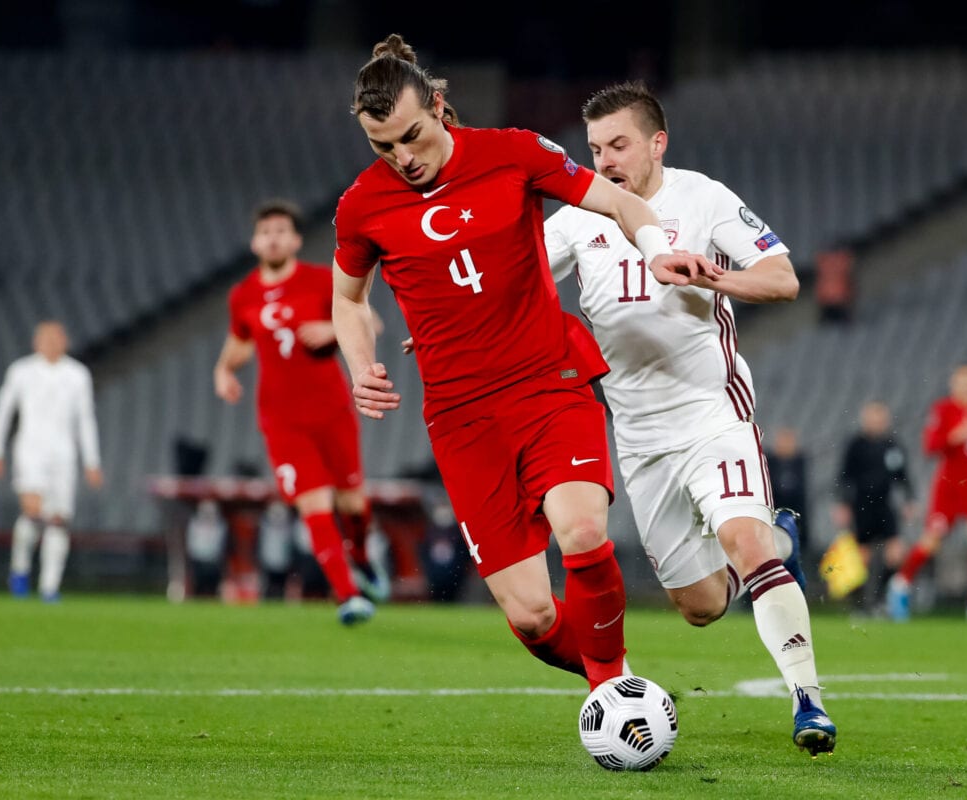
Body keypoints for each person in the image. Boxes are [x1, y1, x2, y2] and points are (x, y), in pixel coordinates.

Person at [331, 35, 723, 691]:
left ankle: (614, 693)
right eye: (383, 146)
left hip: (548, 383)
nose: (403, 158)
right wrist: (360, 362)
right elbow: (346, 299)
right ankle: (620, 683)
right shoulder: (362, 206)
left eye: (412, 136)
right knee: (533, 616)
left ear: (438, 106)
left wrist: (655, 251)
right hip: (460, 419)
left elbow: (622, 201)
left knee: (582, 532)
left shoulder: (514, 153)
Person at [543, 81, 836, 755]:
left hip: (712, 413)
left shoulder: (703, 198)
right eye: (595, 148)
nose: (605, 160)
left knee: (744, 543)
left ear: (657, 143)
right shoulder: (580, 215)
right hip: (639, 436)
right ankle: (780, 543)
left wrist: (712, 277)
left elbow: (784, 278)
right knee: (700, 607)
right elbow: (518, 281)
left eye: (618, 145)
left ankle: (808, 700)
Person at [214, 199, 386, 625]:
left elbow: (372, 321)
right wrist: (223, 370)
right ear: (255, 243)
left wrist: (333, 328)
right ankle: (347, 596)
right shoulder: (243, 295)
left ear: (294, 240)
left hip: (330, 410)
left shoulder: (321, 280)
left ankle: (362, 558)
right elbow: (240, 341)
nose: (272, 238)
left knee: (352, 502)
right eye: (265, 232)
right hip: (281, 418)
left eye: (280, 231)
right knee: (314, 503)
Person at [0, 320, 103, 602]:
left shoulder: (77, 374)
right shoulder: (21, 371)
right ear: (36, 342)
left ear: (66, 341)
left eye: (56, 337)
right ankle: (20, 570)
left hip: (63, 454)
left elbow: (85, 419)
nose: (51, 343)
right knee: (33, 512)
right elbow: (4, 410)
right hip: (30, 450)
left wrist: (92, 460)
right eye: (46, 338)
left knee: (58, 519)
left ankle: (50, 587)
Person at [888, 363, 967, 627]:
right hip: (949, 486)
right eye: (963, 381)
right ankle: (900, 584)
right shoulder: (942, 409)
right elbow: (930, 446)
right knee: (932, 541)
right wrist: (956, 435)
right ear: (954, 384)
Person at [833, 400, 916, 614]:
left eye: (880, 418)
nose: (876, 422)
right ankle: (861, 604)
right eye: (872, 418)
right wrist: (843, 504)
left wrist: (909, 499)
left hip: (885, 504)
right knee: (862, 556)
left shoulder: (892, 445)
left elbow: (903, 476)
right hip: (862, 505)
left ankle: (881, 598)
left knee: (895, 553)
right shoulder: (856, 445)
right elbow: (844, 476)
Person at [765, 427, 811, 557]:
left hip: (794, 514)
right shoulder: (770, 462)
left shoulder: (799, 462)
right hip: (775, 513)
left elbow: (802, 495)